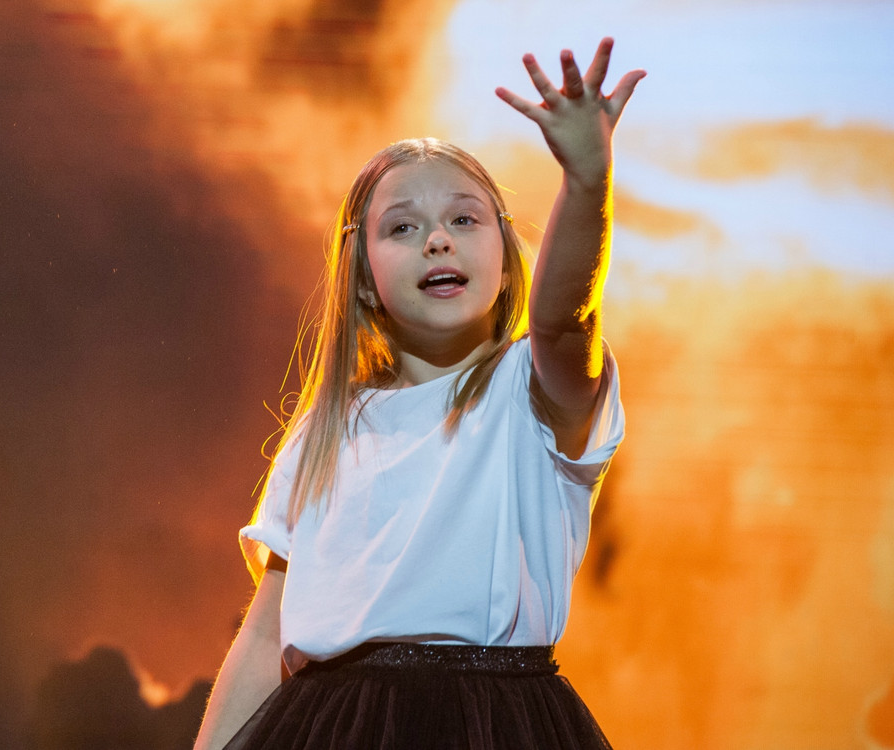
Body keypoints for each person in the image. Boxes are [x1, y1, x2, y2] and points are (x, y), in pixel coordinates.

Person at [194, 37, 645, 750]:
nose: (437, 240)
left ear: (505, 260)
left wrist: (587, 181)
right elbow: (265, 635)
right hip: (330, 727)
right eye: (403, 227)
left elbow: (566, 319)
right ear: (366, 277)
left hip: (496, 724)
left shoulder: (529, 393)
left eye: (463, 220)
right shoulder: (325, 433)